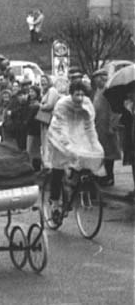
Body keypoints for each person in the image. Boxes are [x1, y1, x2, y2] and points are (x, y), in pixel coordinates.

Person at [44, 81, 104, 213]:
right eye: (77, 94)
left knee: (86, 157)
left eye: (82, 94)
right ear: (71, 94)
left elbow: (89, 127)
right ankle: (54, 202)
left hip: (76, 132)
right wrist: (69, 147)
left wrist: (95, 144)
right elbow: (62, 128)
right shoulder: (62, 105)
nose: (80, 98)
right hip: (58, 134)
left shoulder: (87, 104)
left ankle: (81, 189)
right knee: (58, 169)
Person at [92, 69, 121, 187]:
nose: (100, 79)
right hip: (98, 126)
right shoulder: (97, 91)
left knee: (109, 153)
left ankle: (110, 177)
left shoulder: (109, 91)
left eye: (103, 77)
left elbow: (115, 109)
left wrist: (112, 126)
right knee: (102, 152)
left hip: (107, 127)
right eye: (98, 77)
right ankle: (103, 176)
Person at [39, 75, 60, 167]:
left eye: (44, 81)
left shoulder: (52, 91)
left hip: (50, 120)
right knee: (44, 143)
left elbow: (50, 105)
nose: (43, 83)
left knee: (48, 143)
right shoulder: (45, 92)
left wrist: (40, 106)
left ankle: (49, 165)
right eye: (41, 81)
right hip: (44, 120)